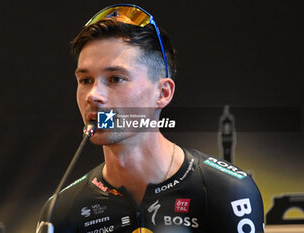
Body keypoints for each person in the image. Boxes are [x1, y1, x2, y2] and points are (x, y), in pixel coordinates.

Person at [37, 4, 264, 233]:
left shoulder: (228, 191)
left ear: (162, 93)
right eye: (85, 80)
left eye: (115, 78)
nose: (94, 95)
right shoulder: (61, 211)